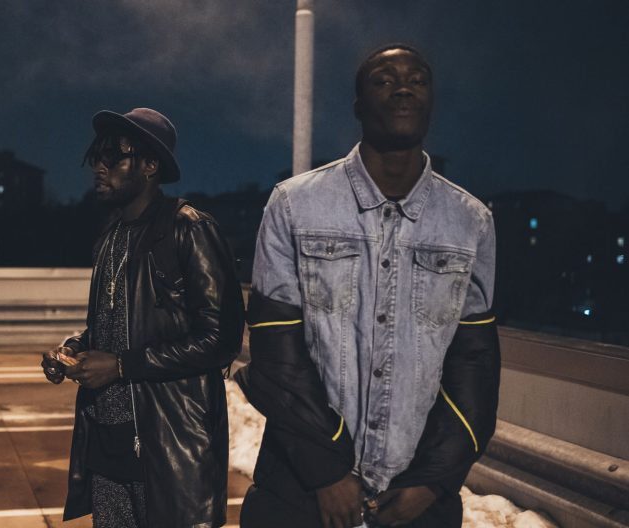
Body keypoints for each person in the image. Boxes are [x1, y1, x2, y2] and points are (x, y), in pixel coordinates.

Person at [236, 45, 501, 528]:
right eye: (383, 79)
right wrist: (327, 472)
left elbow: (474, 366)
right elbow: (277, 353)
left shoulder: (471, 222)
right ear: (358, 106)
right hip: (301, 488)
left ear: (431, 101)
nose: (403, 87)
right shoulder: (295, 205)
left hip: (416, 498)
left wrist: (430, 482)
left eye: (417, 79)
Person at [41, 108, 245, 527]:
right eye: (98, 156)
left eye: (114, 156)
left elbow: (220, 339)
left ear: (151, 165)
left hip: (167, 445)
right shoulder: (111, 236)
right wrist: (76, 349)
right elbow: (117, 323)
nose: (100, 166)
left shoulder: (189, 229)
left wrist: (120, 366)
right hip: (108, 442)